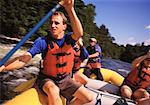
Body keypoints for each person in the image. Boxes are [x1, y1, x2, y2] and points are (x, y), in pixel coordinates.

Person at [0, 0, 93, 105]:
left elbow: (79, 33)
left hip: (65, 79)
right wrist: (4, 67)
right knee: (53, 91)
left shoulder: (69, 39)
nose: (53, 26)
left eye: (56, 23)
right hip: (47, 79)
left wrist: (70, 9)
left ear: (64, 26)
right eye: (51, 23)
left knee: (88, 97)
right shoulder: (42, 42)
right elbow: (24, 59)